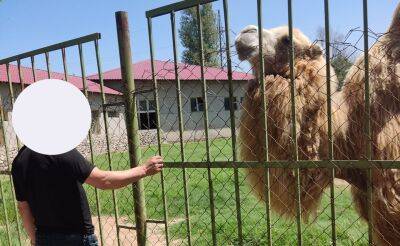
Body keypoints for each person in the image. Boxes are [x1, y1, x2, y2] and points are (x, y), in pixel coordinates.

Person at [11, 145, 163, 246]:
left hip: (44, 237)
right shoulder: (60, 150)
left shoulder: (19, 160)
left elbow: (23, 208)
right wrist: (143, 170)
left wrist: (35, 240)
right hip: (76, 238)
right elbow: (104, 180)